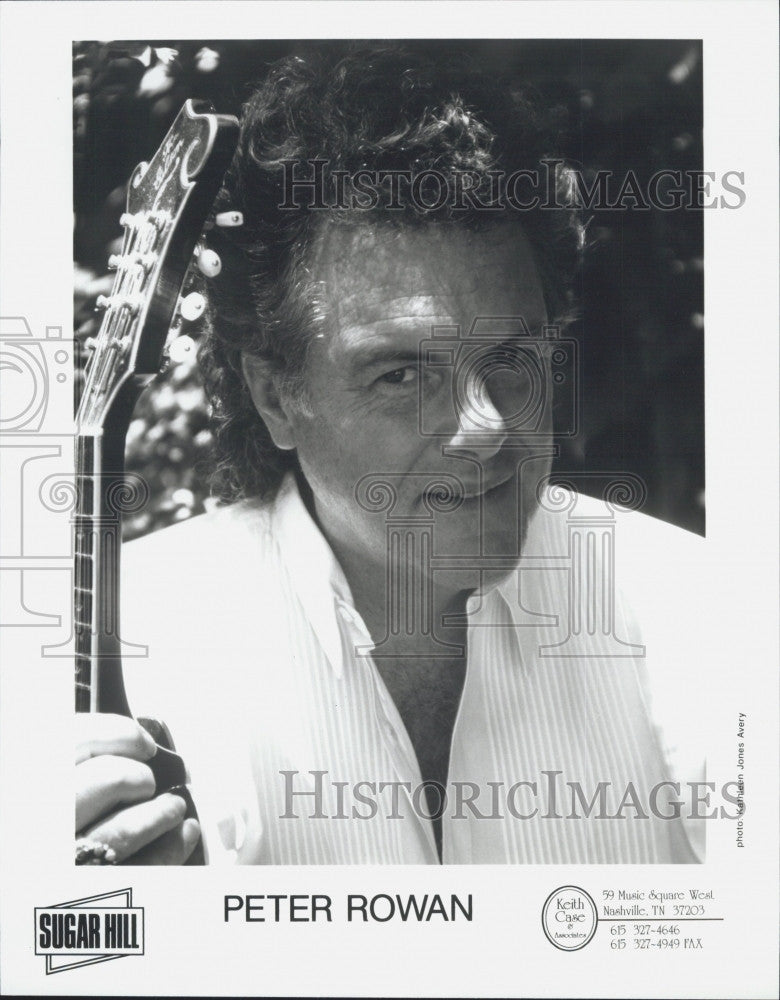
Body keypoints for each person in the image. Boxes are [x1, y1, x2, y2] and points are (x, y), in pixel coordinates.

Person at [76, 45, 709, 865]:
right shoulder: (139, 645)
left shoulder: (692, 611)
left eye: (512, 359)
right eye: (402, 373)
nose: (486, 428)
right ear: (276, 398)